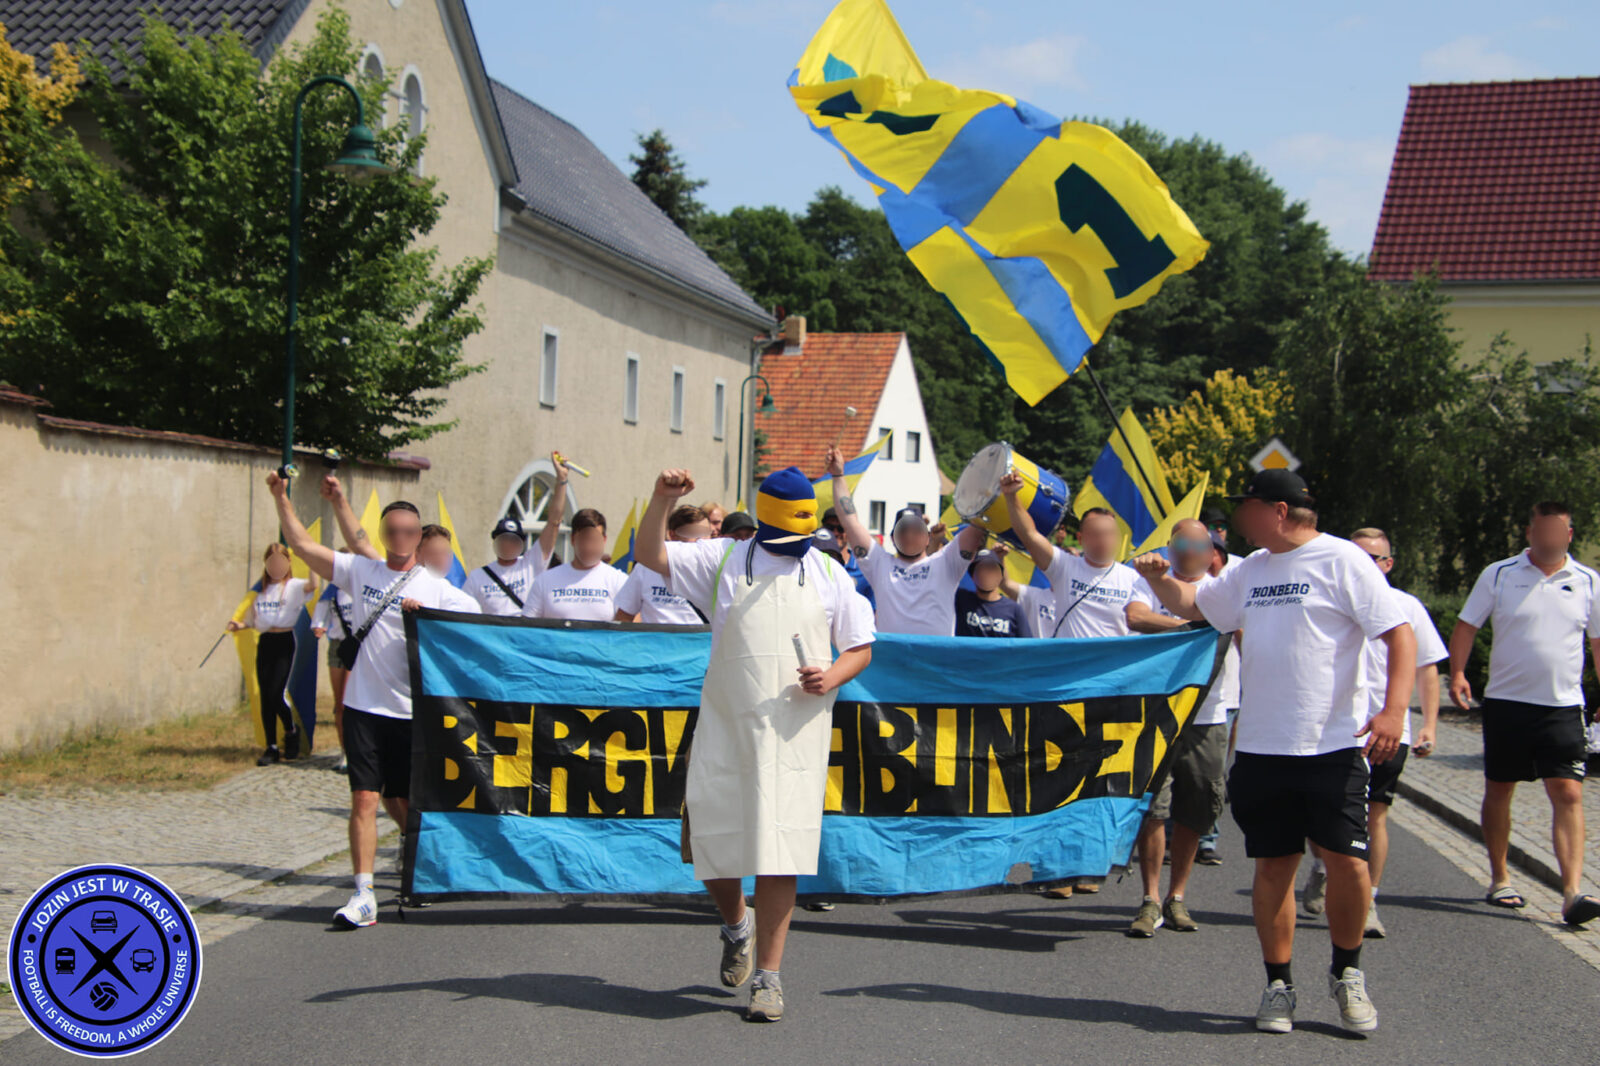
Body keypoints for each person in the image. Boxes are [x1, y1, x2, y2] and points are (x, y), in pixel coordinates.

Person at [1132, 468, 1414, 1036]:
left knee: (1348, 866)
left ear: (1278, 511)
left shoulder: (1343, 561)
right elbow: (1196, 607)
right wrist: (1160, 580)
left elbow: (1399, 633)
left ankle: (1347, 973)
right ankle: (1278, 984)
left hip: (1331, 746)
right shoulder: (1250, 570)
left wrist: (1393, 713)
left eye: (1247, 507)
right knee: (1273, 869)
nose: (1236, 520)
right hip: (1262, 748)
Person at [636, 465, 874, 1022]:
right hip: (726, 726)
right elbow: (650, 553)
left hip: (795, 734)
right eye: (787, 537)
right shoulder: (720, 558)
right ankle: (735, 924)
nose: (797, 547)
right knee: (711, 842)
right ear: (765, 524)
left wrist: (832, 675)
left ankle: (768, 977)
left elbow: (861, 645)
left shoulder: (829, 572)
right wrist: (661, 498)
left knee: (780, 851)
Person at [268, 471, 472, 929]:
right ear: (383, 535)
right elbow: (302, 547)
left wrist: (432, 618)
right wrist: (280, 498)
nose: (399, 538)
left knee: (400, 800)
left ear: (419, 537)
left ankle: (424, 853)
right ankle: (362, 894)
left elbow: (476, 632)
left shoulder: (439, 590)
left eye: (408, 531)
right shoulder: (362, 570)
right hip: (363, 708)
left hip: (411, 713)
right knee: (364, 798)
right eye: (391, 531)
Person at [1449, 501, 1600, 926]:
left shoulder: (1588, 580)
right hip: (1507, 704)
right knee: (1500, 789)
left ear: (1568, 535)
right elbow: (1466, 626)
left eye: (1557, 532)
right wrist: (1458, 673)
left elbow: (1598, 642)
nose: (1548, 539)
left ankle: (1572, 892)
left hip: (1564, 706)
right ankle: (1500, 878)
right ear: (1530, 533)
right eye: (1540, 531)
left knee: (1569, 792)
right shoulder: (1500, 574)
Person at [1301, 527, 1446, 938]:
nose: (1367, 564)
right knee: (1322, 817)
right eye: (1358, 555)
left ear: (1389, 564)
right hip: (1334, 729)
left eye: (1376, 558)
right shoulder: (1326, 597)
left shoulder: (1407, 607)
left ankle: (1368, 903)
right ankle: (1322, 865)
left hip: (1386, 728)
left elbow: (1427, 668)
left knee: (1376, 816)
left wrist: (1429, 725)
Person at [1121, 519, 1240, 937]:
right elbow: (1136, 617)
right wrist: (1195, 631)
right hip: (1157, 711)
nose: (1189, 550)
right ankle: (1150, 898)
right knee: (1154, 808)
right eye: (1181, 542)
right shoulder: (1149, 579)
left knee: (1195, 807)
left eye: (1198, 543)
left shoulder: (1224, 589)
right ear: (1170, 549)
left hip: (1209, 715)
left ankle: (1178, 897)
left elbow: (1242, 635)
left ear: (1212, 553)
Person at [828, 445, 983, 635]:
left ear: (928, 538)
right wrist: (837, 476)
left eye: (917, 530)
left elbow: (979, 526)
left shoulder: (945, 562)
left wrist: (990, 484)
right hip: (894, 660)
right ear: (892, 538)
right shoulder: (879, 564)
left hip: (935, 660)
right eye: (903, 530)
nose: (910, 535)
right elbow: (849, 520)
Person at [1000, 481, 1142, 639]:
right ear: (1080, 539)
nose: (1103, 540)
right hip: (1071, 662)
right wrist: (1011, 496)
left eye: (1109, 534)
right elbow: (1029, 535)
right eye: (1096, 534)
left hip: (1113, 663)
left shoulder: (1134, 579)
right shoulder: (1064, 567)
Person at [227, 544, 316, 765]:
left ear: (288, 564)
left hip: (284, 641)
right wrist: (239, 625)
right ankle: (271, 747)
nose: (276, 566)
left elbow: (314, 584)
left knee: (276, 692)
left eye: (280, 561)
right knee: (265, 695)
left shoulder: (294, 586)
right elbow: (252, 619)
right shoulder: (260, 592)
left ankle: (290, 731)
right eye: (271, 562)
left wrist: (311, 557)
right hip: (265, 642)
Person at [463, 454, 570, 615]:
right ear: (495, 541)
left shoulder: (531, 565)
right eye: (503, 539)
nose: (508, 544)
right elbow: (463, 613)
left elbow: (554, 522)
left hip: (524, 635)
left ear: (521, 544)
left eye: (513, 540)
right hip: (494, 638)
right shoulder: (477, 577)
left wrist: (561, 481)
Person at [523, 508, 628, 621]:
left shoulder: (619, 581)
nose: (589, 547)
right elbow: (526, 629)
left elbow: (628, 631)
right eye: (584, 539)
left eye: (594, 540)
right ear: (573, 539)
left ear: (604, 540)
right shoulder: (544, 581)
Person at [615, 505, 713, 624]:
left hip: (699, 641)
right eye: (693, 533)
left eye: (706, 534)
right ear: (672, 535)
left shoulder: (715, 570)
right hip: (653, 641)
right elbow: (624, 615)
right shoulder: (646, 568)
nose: (701, 540)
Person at [311, 573, 356, 773]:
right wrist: (319, 627)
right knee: (338, 704)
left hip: (358, 646)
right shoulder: (332, 592)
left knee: (348, 703)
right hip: (337, 646)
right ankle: (344, 751)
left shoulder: (361, 588)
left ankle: (356, 751)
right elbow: (319, 618)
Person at [954, 549, 1028, 637]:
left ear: (1001, 576)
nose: (986, 573)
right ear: (973, 576)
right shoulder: (960, 599)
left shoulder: (1014, 609)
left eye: (992, 569)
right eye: (981, 569)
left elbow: (1027, 646)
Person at [419, 526, 494, 613]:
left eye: (445, 553)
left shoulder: (467, 603)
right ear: (416, 554)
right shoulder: (407, 591)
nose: (440, 560)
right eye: (433, 553)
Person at [822, 506, 875, 609]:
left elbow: (873, 612)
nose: (835, 533)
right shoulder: (812, 564)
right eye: (830, 528)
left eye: (841, 528)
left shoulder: (864, 569)